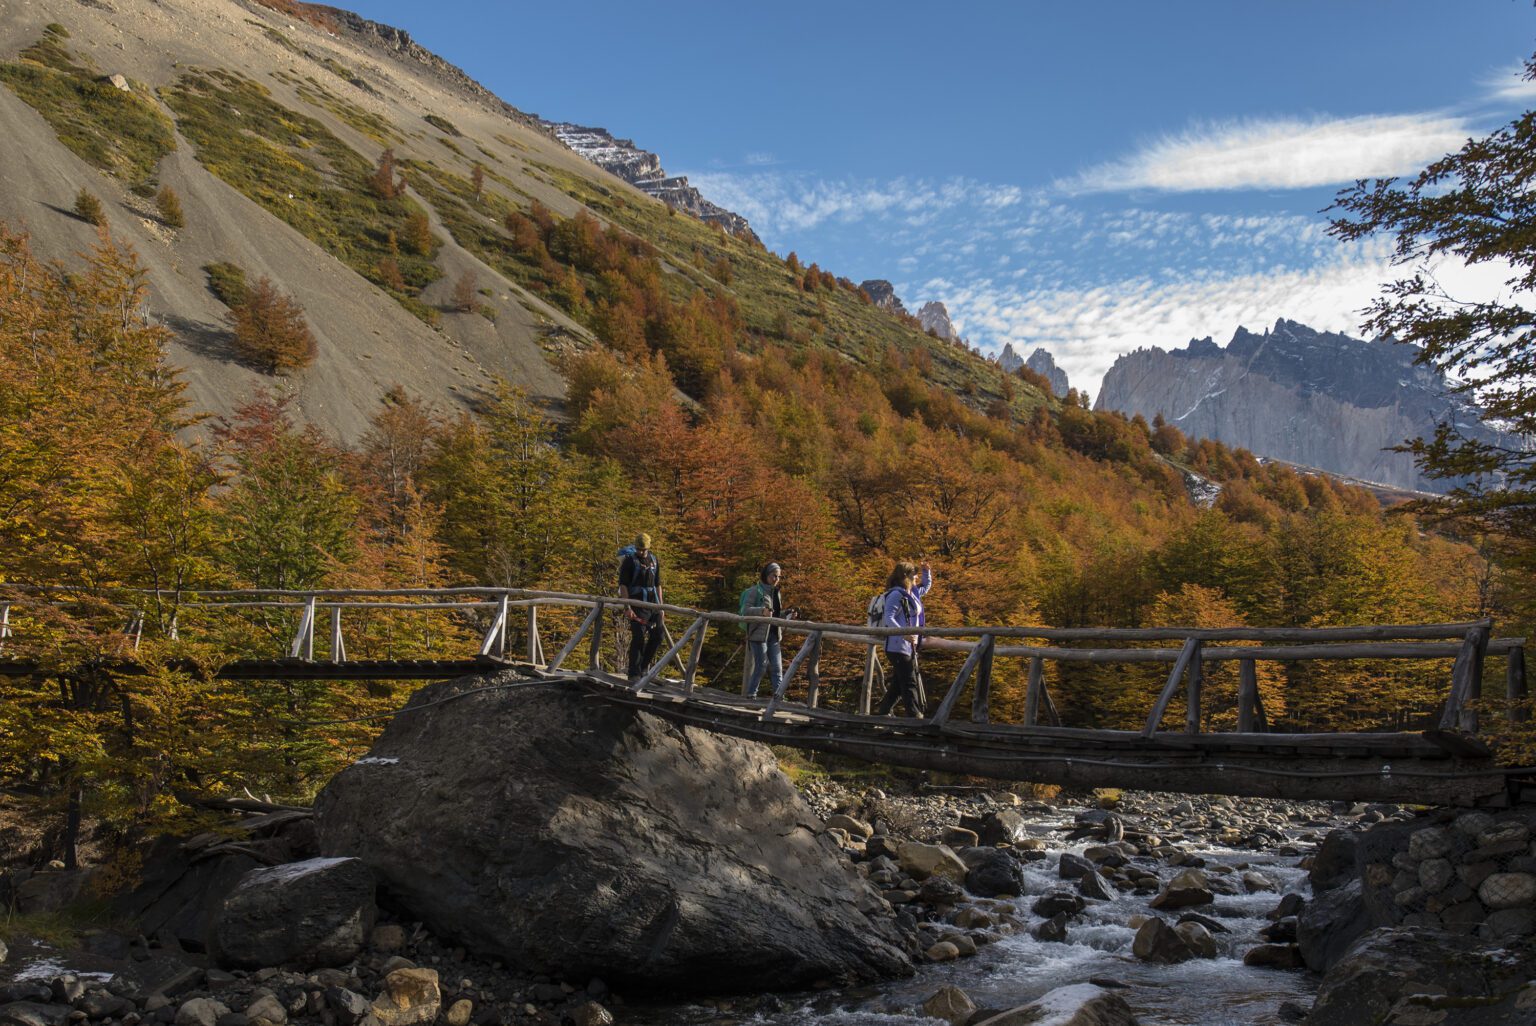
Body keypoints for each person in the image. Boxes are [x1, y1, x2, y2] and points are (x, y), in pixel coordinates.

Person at [875, 560, 933, 717]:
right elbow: (888, 618)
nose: (916, 578)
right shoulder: (896, 594)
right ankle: (914, 717)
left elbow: (925, 588)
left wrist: (927, 572)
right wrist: (903, 633)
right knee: (909, 682)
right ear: (905, 576)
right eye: (914, 575)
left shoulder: (911, 593)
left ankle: (882, 713)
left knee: (897, 686)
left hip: (907, 646)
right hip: (897, 647)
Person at [618, 533, 663, 679]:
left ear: (648, 548)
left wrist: (661, 607)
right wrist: (627, 607)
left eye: (643, 550)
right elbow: (623, 585)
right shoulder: (630, 561)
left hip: (652, 604)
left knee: (658, 635)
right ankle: (633, 673)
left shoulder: (654, 560)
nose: (640, 552)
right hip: (636, 604)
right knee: (638, 637)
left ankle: (643, 668)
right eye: (638, 549)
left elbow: (658, 584)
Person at [739, 562, 785, 699]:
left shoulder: (776, 593)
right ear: (766, 575)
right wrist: (761, 611)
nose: (776, 579)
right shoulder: (755, 591)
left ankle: (779, 697)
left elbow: (775, 615)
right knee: (761, 666)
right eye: (773, 576)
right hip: (758, 635)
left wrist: (788, 613)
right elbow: (745, 611)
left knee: (777, 668)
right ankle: (751, 695)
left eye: (778, 577)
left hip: (774, 634)